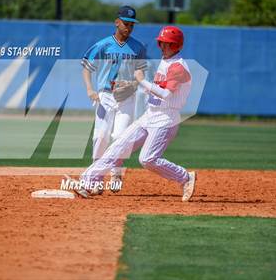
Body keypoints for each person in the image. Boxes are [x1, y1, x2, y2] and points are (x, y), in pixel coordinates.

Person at [67, 25, 197, 202]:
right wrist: (133, 85)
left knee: (148, 159)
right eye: (162, 43)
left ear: (177, 46)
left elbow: (166, 94)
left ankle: (185, 177)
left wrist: (141, 81)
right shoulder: (166, 61)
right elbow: (157, 88)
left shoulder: (178, 67)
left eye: (169, 44)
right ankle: (87, 182)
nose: (164, 47)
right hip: (150, 115)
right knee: (117, 147)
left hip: (165, 120)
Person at [81, 5, 147, 194]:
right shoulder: (103, 45)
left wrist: (133, 85)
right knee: (100, 136)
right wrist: (89, 89)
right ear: (116, 22)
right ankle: (96, 178)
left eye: (132, 25)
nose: (128, 27)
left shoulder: (138, 47)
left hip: (127, 97)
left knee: (119, 137)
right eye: (126, 23)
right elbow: (86, 67)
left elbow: (140, 73)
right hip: (105, 96)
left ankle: (116, 171)